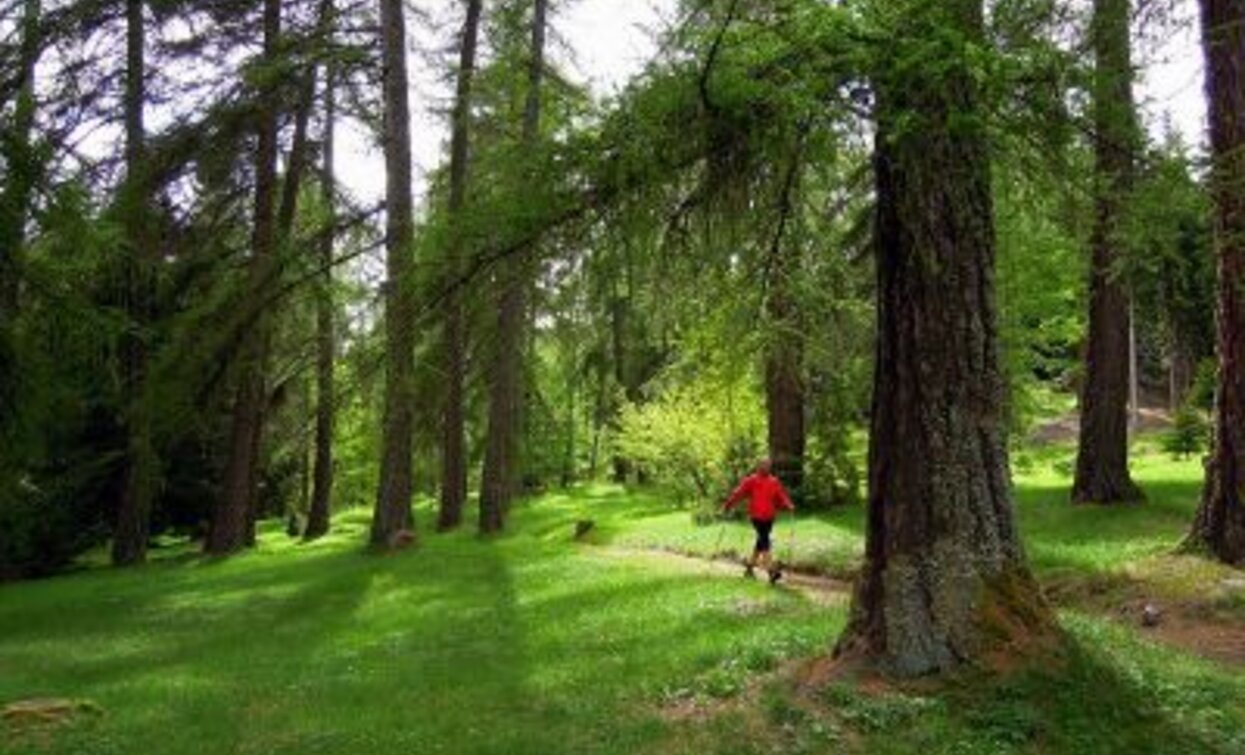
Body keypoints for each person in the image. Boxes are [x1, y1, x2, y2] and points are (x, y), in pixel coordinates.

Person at [722, 459, 795, 584]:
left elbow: (781, 495)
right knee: (765, 540)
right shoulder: (751, 480)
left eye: (768, 465)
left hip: (769, 516)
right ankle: (771, 571)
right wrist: (728, 504)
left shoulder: (774, 481)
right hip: (756, 516)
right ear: (758, 466)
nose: (766, 467)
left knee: (760, 542)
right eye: (764, 465)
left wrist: (788, 505)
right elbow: (739, 492)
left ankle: (750, 568)